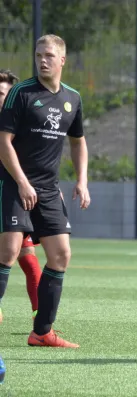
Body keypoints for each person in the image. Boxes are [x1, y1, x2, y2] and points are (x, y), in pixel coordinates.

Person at [0, 34, 90, 348]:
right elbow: (3, 143)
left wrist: (82, 180)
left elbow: (78, 142)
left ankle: (41, 332)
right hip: (14, 182)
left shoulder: (73, 98)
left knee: (61, 255)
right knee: (9, 252)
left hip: (49, 189)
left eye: (49, 55)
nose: (43, 60)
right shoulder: (21, 93)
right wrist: (22, 182)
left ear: (62, 60)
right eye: (39, 55)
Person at [0, 69, 43, 324]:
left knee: (27, 257)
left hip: (14, 195)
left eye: (3, 93)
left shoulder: (19, 120)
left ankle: (41, 321)